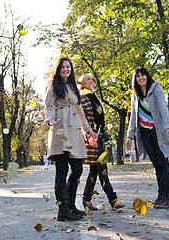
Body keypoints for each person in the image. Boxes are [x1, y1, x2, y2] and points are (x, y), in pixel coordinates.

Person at [44, 57, 97, 221]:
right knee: (62, 171)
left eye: (68, 67)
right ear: (58, 69)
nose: (66, 69)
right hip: (60, 129)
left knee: (77, 170)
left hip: (74, 131)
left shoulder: (74, 87)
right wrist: (50, 120)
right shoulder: (53, 85)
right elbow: (48, 105)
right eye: (63, 67)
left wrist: (88, 130)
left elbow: (80, 111)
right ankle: (62, 210)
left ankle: (71, 206)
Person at [125, 67, 169, 209]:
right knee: (156, 165)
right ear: (135, 80)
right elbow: (133, 117)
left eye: (143, 75)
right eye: (138, 76)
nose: (141, 78)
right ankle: (160, 196)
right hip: (145, 134)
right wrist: (129, 136)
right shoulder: (135, 95)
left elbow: (163, 109)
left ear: (147, 76)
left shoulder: (156, 89)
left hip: (157, 132)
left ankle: (167, 197)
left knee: (163, 163)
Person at [78, 73, 124, 210]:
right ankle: (113, 198)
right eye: (88, 79)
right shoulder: (82, 97)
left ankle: (86, 199)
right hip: (92, 138)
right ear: (83, 84)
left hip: (99, 137)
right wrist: (90, 135)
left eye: (92, 78)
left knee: (94, 170)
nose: (92, 81)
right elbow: (83, 120)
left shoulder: (93, 96)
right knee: (102, 168)